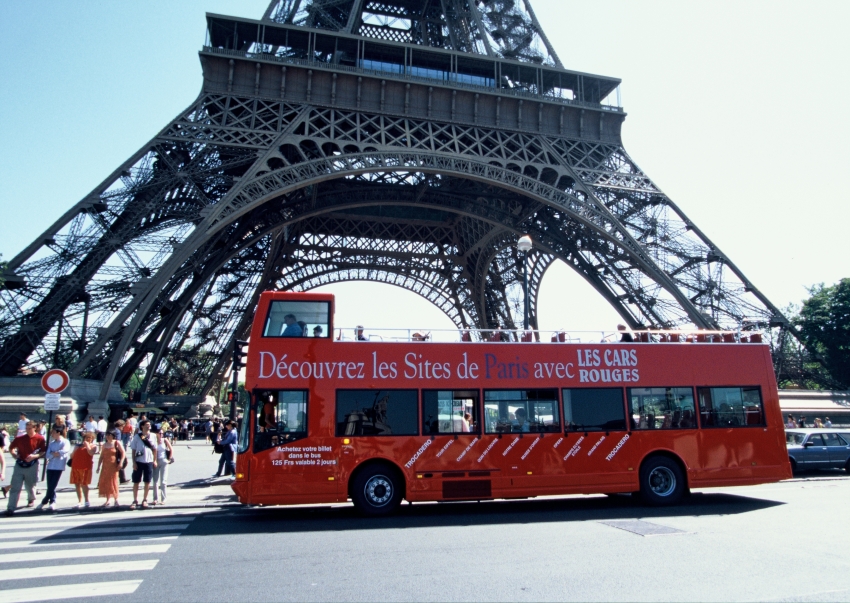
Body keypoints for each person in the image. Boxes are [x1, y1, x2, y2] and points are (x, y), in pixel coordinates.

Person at [5, 421, 47, 515]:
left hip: (32, 464)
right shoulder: (20, 438)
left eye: (29, 428)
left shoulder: (40, 438)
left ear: (34, 428)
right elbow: (11, 447)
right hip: (20, 464)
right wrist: (14, 455)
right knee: (15, 486)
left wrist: (34, 456)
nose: (27, 430)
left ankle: (31, 499)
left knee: (30, 485)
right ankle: (11, 507)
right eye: (26, 428)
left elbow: (43, 452)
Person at [38, 425, 71, 511]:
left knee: (53, 485)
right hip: (50, 466)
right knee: (50, 485)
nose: (52, 434)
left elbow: (64, 450)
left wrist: (56, 453)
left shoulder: (65, 442)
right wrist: (54, 454)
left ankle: (44, 501)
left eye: (53, 432)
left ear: (58, 433)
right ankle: (52, 501)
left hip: (59, 466)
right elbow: (48, 455)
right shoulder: (51, 443)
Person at [129, 420, 157, 509]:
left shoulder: (153, 436)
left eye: (149, 424)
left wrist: (155, 460)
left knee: (147, 481)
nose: (149, 426)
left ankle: (145, 499)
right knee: (136, 481)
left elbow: (155, 449)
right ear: (142, 426)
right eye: (147, 425)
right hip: (139, 461)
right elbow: (133, 450)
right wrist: (133, 462)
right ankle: (135, 500)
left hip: (149, 461)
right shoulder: (137, 437)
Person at [96, 429, 124, 508]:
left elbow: (123, 453)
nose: (107, 437)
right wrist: (98, 466)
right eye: (107, 435)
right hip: (105, 466)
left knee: (113, 481)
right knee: (106, 482)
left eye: (109, 435)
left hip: (113, 465)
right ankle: (108, 500)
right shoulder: (104, 445)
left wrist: (121, 462)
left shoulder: (116, 443)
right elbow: (101, 456)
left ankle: (116, 499)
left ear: (113, 436)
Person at [69, 431, 97, 508]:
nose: (88, 439)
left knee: (84, 484)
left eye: (90, 438)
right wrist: (75, 449)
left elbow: (91, 453)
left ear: (92, 439)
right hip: (76, 466)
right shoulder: (78, 446)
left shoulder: (93, 446)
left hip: (86, 467)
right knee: (77, 484)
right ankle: (80, 501)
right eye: (86, 438)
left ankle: (87, 500)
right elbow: (71, 456)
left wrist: (87, 446)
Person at [152, 426, 174, 506]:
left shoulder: (165, 440)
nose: (161, 434)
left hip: (163, 460)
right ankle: (155, 499)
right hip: (155, 461)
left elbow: (171, 449)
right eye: (160, 433)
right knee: (155, 481)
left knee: (163, 481)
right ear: (156, 434)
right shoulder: (154, 441)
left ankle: (164, 499)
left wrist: (169, 459)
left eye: (162, 433)